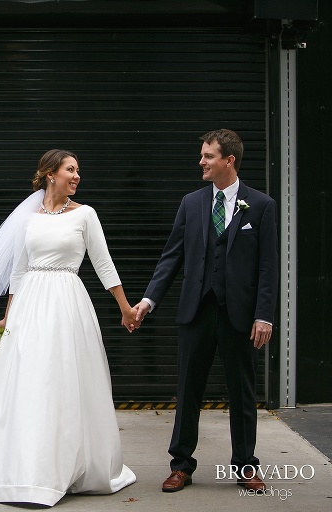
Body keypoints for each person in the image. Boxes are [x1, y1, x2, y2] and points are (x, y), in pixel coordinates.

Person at [0, 149, 137, 507]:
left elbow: (104, 264)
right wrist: (9, 315)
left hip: (68, 302)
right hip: (30, 305)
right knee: (29, 380)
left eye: (78, 171)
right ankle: (23, 467)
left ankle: (66, 466)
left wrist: (125, 307)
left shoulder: (85, 215)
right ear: (50, 174)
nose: (77, 176)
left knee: (64, 378)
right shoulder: (29, 219)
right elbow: (18, 272)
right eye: (70, 169)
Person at [133, 129, 279, 493]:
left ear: (229, 160)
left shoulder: (260, 206)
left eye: (208, 156)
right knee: (188, 391)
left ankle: (246, 466)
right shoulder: (191, 203)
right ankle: (181, 465)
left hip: (241, 316)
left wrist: (264, 315)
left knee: (242, 392)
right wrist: (148, 301)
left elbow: (267, 266)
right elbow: (172, 256)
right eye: (202, 155)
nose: (201, 161)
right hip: (195, 312)